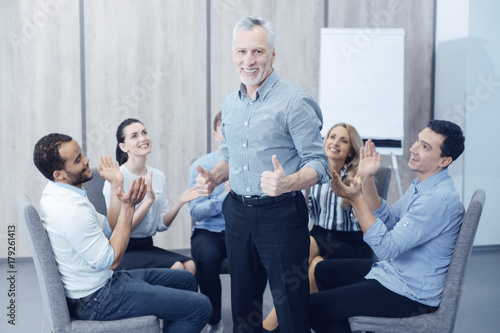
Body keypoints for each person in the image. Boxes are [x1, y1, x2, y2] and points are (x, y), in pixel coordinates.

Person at [195, 16, 329, 333]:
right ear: (233, 55)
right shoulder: (230, 105)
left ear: (272, 54)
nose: (249, 60)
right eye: (241, 52)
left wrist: (288, 183)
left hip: (280, 215)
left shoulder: (295, 102)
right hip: (238, 214)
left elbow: (320, 163)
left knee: (290, 308)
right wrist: (214, 177)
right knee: (243, 309)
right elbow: (229, 158)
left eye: (257, 51)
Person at [33, 133, 212, 333]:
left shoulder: (61, 193)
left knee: (185, 280)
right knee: (201, 306)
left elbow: (109, 227)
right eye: (77, 160)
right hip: (96, 298)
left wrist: (115, 185)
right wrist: (129, 208)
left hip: (101, 282)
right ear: (59, 174)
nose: (86, 161)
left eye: (82, 154)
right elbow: (111, 261)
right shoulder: (70, 210)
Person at [308, 120, 466, 332]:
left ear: (444, 160)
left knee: (310, 308)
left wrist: (356, 199)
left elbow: (386, 248)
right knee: (322, 271)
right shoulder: (424, 184)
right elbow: (388, 217)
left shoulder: (436, 201)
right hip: (394, 273)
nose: (413, 148)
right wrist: (367, 178)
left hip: (410, 294)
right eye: (418, 141)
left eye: (425, 147)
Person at [262, 123, 374, 332]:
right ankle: (289, 325)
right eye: (332, 137)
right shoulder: (313, 175)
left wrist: (361, 186)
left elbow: (366, 220)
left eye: (344, 140)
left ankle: (268, 327)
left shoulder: (357, 178)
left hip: (350, 243)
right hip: (320, 236)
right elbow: (304, 212)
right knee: (313, 268)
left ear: (351, 151)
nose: (335, 143)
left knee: (303, 247)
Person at [102, 118, 197, 274]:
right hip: (123, 249)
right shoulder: (117, 179)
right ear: (123, 147)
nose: (143, 138)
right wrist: (148, 202)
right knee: (178, 268)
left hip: (147, 246)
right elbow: (120, 228)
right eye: (134, 136)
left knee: (190, 265)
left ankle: (184, 299)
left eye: (144, 132)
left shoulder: (158, 176)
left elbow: (160, 224)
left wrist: (180, 202)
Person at [189, 111, 228, 333]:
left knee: (256, 257)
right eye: (224, 129)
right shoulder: (201, 165)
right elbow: (196, 212)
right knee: (207, 257)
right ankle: (215, 321)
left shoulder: (249, 165)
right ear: (216, 134)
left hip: (240, 230)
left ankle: (253, 320)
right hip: (209, 231)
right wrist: (223, 198)